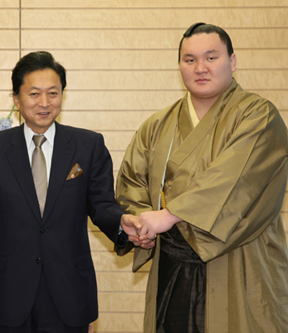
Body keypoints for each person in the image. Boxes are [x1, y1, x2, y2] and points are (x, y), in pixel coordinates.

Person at [0, 51, 141, 332]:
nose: (45, 103)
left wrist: (122, 222)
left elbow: (102, 205)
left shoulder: (89, 145)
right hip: (9, 291)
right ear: (16, 98)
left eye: (53, 93)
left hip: (69, 291)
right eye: (34, 94)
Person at [116, 22, 288, 332]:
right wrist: (138, 221)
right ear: (179, 66)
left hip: (239, 261)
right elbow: (133, 184)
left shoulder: (259, 116)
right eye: (189, 59)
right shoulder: (156, 126)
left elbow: (234, 181)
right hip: (171, 268)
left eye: (211, 57)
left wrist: (169, 215)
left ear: (232, 62)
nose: (200, 68)